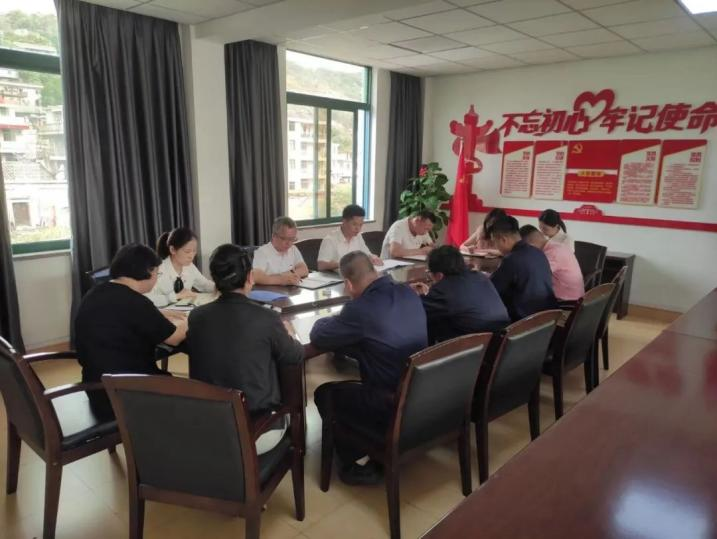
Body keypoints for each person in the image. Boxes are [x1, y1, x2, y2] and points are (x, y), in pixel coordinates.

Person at [310, 251, 427, 485]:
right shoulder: (408, 292)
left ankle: (355, 462)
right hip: (420, 390)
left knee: (325, 393)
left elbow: (319, 335)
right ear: (374, 270)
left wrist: (334, 318)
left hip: (389, 400)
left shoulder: (360, 310)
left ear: (347, 284)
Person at [187, 244, 304, 454]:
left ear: (214, 279)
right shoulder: (267, 318)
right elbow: (295, 356)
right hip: (256, 432)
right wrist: (290, 334)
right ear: (250, 277)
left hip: (208, 426)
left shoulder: (196, 317)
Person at [75, 244, 188, 420]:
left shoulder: (96, 292)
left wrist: (157, 312)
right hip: (127, 392)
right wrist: (193, 318)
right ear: (149, 272)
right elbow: (174, 338)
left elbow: (120, 315)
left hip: (96, 387)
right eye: (157, 274)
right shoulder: (136, 303)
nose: (156, 279)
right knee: (192, 391)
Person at [411, 246, 510, 342]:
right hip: (501, 340)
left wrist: (415, 294)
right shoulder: (479, 276)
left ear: (439, 275)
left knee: (430, 321)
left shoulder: (444, 290)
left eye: (429, 273)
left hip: (472, 347)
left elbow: (417, 311)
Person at [488, 216, 558, 321]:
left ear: (503, 239)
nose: (495, 246)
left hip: (524, 323)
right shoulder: (538, 252)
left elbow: (492, 290)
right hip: (548, 318)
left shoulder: (511, 260)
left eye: (494, 242)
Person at [146, 227, 215, 306]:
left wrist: (222, 287)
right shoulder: (158, 270)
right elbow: (146, 299)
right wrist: (176, 296)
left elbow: (205, 285)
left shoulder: (190, 267)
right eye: (187, 251)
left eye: (194, 251)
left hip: (184, 310)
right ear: (172, 250)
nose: (191, 256)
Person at [520, 225, 585, 302]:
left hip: (568, 301)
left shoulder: (552, 253)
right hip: (572, 295)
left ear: (530, 245)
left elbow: (535, 277)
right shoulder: (556, 246)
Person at [317, 204, 382, 271]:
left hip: (357, 274)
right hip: (337, 276)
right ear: (344, 221)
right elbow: (321, 265)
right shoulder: (330, 240)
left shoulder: (358, 236)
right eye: (354, 224)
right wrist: (345, 264)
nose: (358, 229)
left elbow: (367, 254)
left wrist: (373, 257)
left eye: (360, 225)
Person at [253, 216, 309, 285]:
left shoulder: (293, 249)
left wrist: (288, 275)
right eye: (284, 239)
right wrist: (282, 279)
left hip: (290, 290)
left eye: (292, 239)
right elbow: (256, 276)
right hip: (270, 291)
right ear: (274, 236)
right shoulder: (262, 252)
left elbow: (304, 269)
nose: (289, 243)